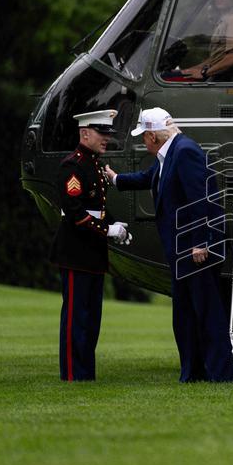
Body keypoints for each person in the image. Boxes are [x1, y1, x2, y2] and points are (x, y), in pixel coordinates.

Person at [105, 107, 233, 382]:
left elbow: (200, 199)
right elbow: (149, 178)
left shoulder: (185, 152)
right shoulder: (171, 153)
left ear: (153, 136)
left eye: (144, 136)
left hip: (195, 250)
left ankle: (222, 374)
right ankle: (194, 373)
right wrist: (116, 179)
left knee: (207, 312)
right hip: (182, 251)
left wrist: (202, 242)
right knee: (186, 315)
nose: (144, 142)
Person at [49, 109, 131, 381]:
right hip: (75, 251)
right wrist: (108, 231)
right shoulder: (72, 166)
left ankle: (86, 373)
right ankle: (73, 373)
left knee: (92, 318)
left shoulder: (94, 164)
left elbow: (100, 210)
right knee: (76, 316)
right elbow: (75, 213)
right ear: (85, 133)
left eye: (108, 133)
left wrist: (117, 229)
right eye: (102, 133)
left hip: (93, 252)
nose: (106, 138)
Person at [175, 0, 233, 81]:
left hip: (222, 80)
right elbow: (216, 58)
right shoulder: (226, 18)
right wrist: (193, 69)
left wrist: (204, 73)